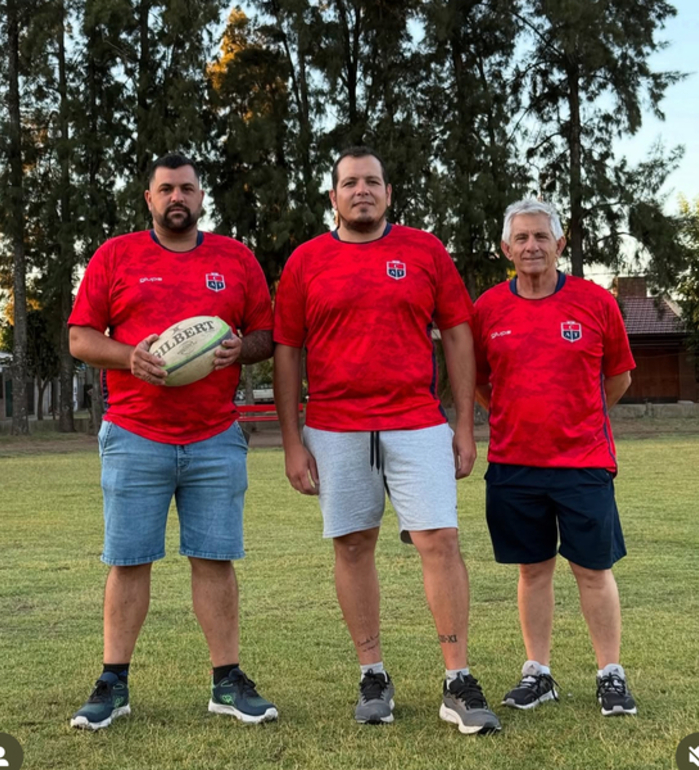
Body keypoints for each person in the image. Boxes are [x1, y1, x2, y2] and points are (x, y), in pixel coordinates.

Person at [273, 146, 501, 735]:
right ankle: (372, 673)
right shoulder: (306, 261)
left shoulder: (424, 251)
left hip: (416, 422)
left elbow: (456, 333)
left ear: (389, 192)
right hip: (335, 426)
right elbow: (288, 352)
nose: (362, 191)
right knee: (352, 545)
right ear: (333, 197)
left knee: (441, 542)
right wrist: (292, 440)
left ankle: (457, 679)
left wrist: (461, 423)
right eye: (349, 183)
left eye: (372, 181)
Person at [68, 153, 277, 730]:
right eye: (166, 190)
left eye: (186, 188)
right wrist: (128, 356)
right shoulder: (117, 255)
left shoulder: (235, 258)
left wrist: (243, 348)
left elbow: (266, 334)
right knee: (129, 560)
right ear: (149, 198)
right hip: (135, 434)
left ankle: (227, 682)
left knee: (214, 559)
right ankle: (113, 682)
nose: (177, 197)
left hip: (214, 436)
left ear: (201, 197)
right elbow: (81, 338)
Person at [472, 199, 637, 717]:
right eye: (520, 238)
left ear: (560, 244)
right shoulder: (488, 309)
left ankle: (610, 674)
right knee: (532, 570)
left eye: (541, 236)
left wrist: (580, 417)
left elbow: (620, 376)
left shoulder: (595, 303)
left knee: (593, 569)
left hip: (583, 463)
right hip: (514, 464)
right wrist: (510, 414)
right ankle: (537, 673)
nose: (531, 246)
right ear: (506, 248)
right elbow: (476, 380)